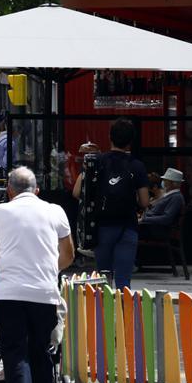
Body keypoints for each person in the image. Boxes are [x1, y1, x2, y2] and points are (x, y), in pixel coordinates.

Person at [0, 167, 75, 383]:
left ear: (9, 191)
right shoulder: (55, 211)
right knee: (41, 349)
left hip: (9, 294)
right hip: (44, 293)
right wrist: (48, 270)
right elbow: (68, 254)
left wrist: (2, 264)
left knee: (14, 351)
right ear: (36, 190)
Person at [70, 118, 149, 289]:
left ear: (110, 137)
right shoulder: (137, 166)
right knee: (123, 281)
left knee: (103, 278)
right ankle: (122, 312)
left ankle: (103, 313)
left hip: (101, 227)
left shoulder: (95, 162)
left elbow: (77, 192)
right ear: (131, 142)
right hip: (127, 227)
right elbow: (144, 201)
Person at [139, 167, 185, 238]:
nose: (163, 182)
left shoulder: (176, 197)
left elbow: (166, 219)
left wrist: (144, 219)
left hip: (157, 229)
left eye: (166, 180)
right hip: (149, 224)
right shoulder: (168, 195)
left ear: (174, 183)